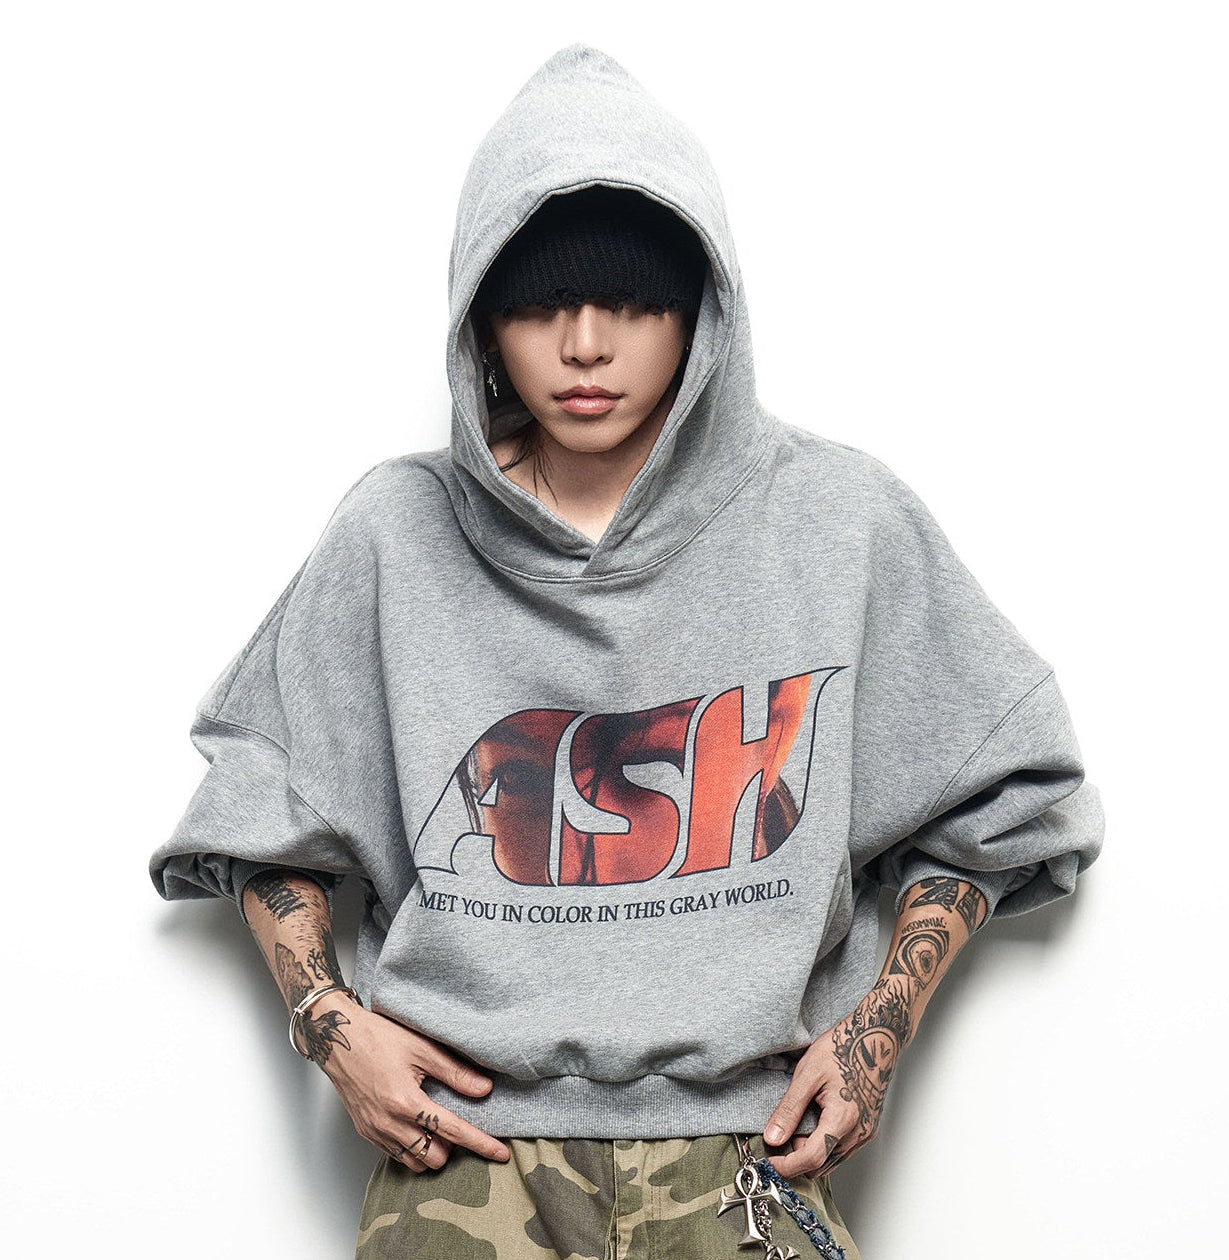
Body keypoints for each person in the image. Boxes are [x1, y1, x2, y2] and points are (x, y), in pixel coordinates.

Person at [150, 44, 1103, 1260]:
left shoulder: (837, 522)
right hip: (468, 1157)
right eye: (539, 304)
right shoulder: (395, 535)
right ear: (480, 320)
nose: (586, 345)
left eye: (633, 302)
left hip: (748, 1154)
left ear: (701, 309)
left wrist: (879, 1030)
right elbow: (260, 811)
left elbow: (1009, 799)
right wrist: (330, 1028)